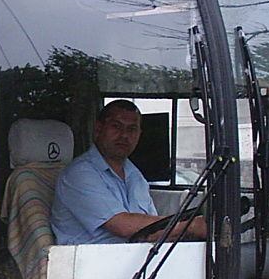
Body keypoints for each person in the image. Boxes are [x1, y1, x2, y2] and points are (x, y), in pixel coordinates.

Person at [50, 99, 204, 245]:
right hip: (89, 260)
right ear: (98, 129)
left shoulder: (135, 175)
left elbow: (150, 231)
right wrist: (190, 225)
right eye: (116, 126)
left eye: (131, 129)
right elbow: (122, 225)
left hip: (134, 257)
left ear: (139, 134)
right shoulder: (79, 173)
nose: (124, 135)